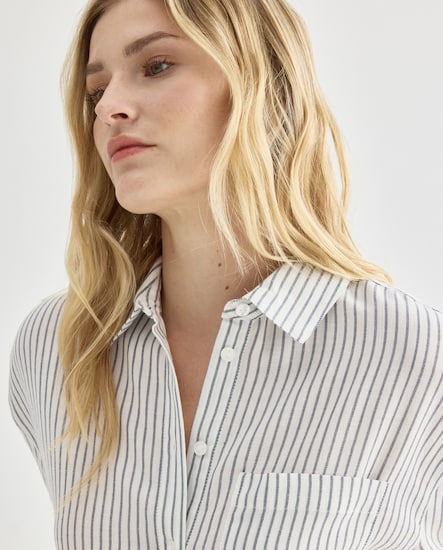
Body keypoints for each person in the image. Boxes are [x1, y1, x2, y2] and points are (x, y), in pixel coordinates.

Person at [9, 0, 442, 548]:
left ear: (264, 86)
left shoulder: (417, 358)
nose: (110, 107)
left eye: (156, 66)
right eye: (97, 91)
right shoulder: (57, 349)